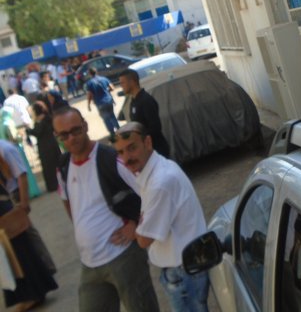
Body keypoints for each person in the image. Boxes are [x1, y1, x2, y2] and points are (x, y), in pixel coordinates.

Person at [52, 107, 160, 312]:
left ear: (85, 126)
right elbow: (67, 200)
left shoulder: (112, 159)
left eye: (75, 130)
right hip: (90, 263)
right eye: (64, 135)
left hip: (124, 257)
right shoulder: (63, 165)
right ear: (56, 136)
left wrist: (136, 225)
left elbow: (151, 193)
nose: (71, 138)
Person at [114, 122, 209, 311]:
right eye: (121, 152)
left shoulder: (160, 183)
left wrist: (134, 229)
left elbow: (144, 240)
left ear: (147, 143)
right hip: (187, 265)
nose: (126, 158)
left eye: (132, 148)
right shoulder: (159, 168)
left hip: (183, 272)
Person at [0, 157, 57, 311]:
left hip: (4, 214)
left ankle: (32, 295)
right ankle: (35, 292)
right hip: (6, 210)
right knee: (19, 252)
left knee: (17, 255)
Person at [0, 139, 56, 275]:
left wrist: (24, 202)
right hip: (6, 197)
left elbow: (21, 175)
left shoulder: (6, 149)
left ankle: (47, 266)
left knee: (27, 231)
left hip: (13, 195)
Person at [119, 69, 170, 157]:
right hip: (145, 151)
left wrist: (136, 137)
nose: (121, 86)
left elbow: (155, 127)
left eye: (123, 83)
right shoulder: (134, 101)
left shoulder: (146, 100)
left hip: (156, 150)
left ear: (132, 82)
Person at [27, 102, 61, 192]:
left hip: (45, 146)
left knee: (49, 166)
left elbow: (37, 132)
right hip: (52, 143)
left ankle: (53, 185)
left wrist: (28, 130)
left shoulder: (41, 121)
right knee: (56, 163)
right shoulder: (48, 118)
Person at [85, 68, 119, 142]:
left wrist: (88, 104)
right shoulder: (104, 79)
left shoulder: (89, 83)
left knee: (106, 119)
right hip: (108, 100)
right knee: (112, 116)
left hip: (99, 102)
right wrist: (106, 91)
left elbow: (89, 94)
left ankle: (113, 134)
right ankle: (120, 131)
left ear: (89, 74)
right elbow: (112, 88)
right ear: (96, 72)